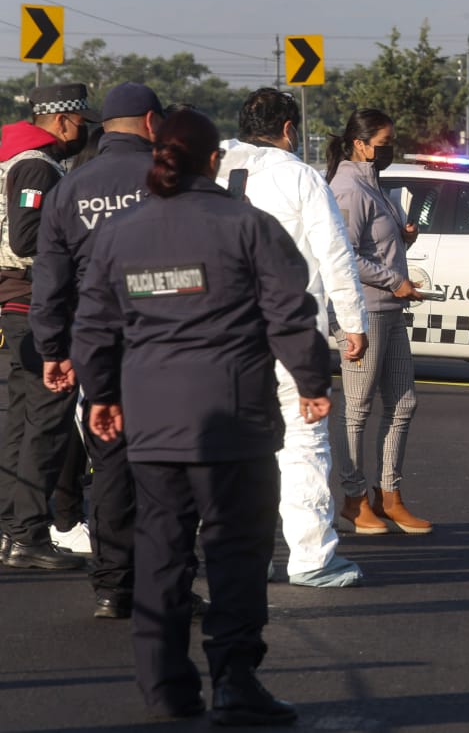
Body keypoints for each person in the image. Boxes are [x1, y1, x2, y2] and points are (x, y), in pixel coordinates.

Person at [71, 108, 331, 725]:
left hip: (152, 422)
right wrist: (312, 381)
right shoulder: (248, 225)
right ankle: (236, 682)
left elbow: (95, 324)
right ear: (215, 160)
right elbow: (289, 313)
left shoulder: (121, 233)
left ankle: (164, 690)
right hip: (233, 421)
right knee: (236, 553)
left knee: (160, 552)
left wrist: (103, 394)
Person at [218, 88, 369, 587]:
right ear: (288, 129)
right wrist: (354, 323)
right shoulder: (298, 175)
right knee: (303, 441)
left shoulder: (213, 171)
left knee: (238, 450)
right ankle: (311, 558)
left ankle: (246, 556)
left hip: (221, 337)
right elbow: (335, 253)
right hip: (286, 334)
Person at [32, 82, 167, 616]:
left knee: (110, 461)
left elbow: (51, 275)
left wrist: (52, 348)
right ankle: (163, 582)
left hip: (96, 342)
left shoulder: (71, 186)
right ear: (153, 124)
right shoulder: (169, 180)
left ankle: (113, 586)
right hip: (164, 340)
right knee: (167, 464)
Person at [0, 83, 97, 571]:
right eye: (81, 123)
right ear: (61, 120)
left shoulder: (18, 157)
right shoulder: (36, 164)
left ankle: (13, 527)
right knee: (46, 419)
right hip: (31, 304)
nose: (82, 132)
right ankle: (27, 533)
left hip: (15, 308)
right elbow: (25, 235)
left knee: (21, 418)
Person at [325, 109, 429, 535]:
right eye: (383, 142)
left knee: (403, 403)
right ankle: (353, 498)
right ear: (360, 143)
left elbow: (373, 242)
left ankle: (389, 496)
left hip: (390, 310)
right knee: (358, 409)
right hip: (364, 311)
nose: (388, 148)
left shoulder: (373, 183)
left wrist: (401, 237)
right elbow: (344, 253)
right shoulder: (348, 187)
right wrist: (394, 280)